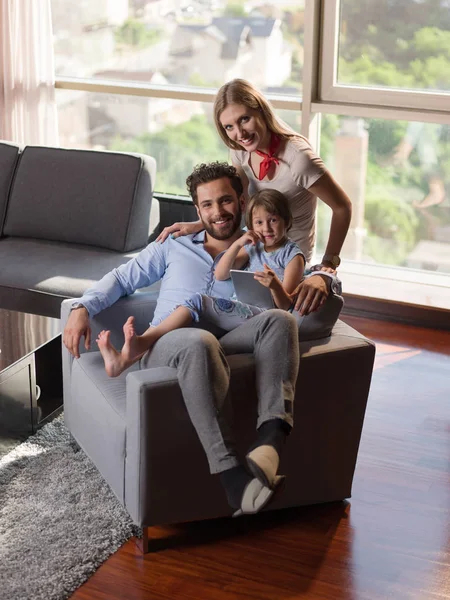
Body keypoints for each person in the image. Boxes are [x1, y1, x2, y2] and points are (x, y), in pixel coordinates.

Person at [64, 162, 301, 517]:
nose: (217, 212)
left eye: (225, 201)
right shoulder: (174, 245)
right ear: (197, 209)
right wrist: (82, 307)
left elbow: (296, 275)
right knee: (197, 341)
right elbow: (122, 278)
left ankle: (271, 439)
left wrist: (324, 278)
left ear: (241, 199)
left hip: (232, 338)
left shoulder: (259, 249)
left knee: (280, 322)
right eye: (207, 205)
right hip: (168, 343)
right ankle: (232, 479)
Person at [157, 78, 352, 315]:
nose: (239, 133)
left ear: (261, 111)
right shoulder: (239, 151)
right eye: (229, 127)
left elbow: (343, 207)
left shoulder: (299, 160)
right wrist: (200, 224)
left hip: (288, 258)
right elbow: (238, 203)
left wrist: (327, 267)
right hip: (254, 249)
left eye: (244, 119)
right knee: (199, 288)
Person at [96, 189, 306, 378]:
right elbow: (220, 273)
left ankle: (141, 343)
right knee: (195, 308)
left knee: (197, 301)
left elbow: (285, 307)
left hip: (265, 320)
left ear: (287, 221)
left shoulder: (292, 256)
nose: (266, 228)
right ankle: (125, 359)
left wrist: (274, 285)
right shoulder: (254, 247)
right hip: (243, 314)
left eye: (273, 220)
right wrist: (238, 244)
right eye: (259, 223)